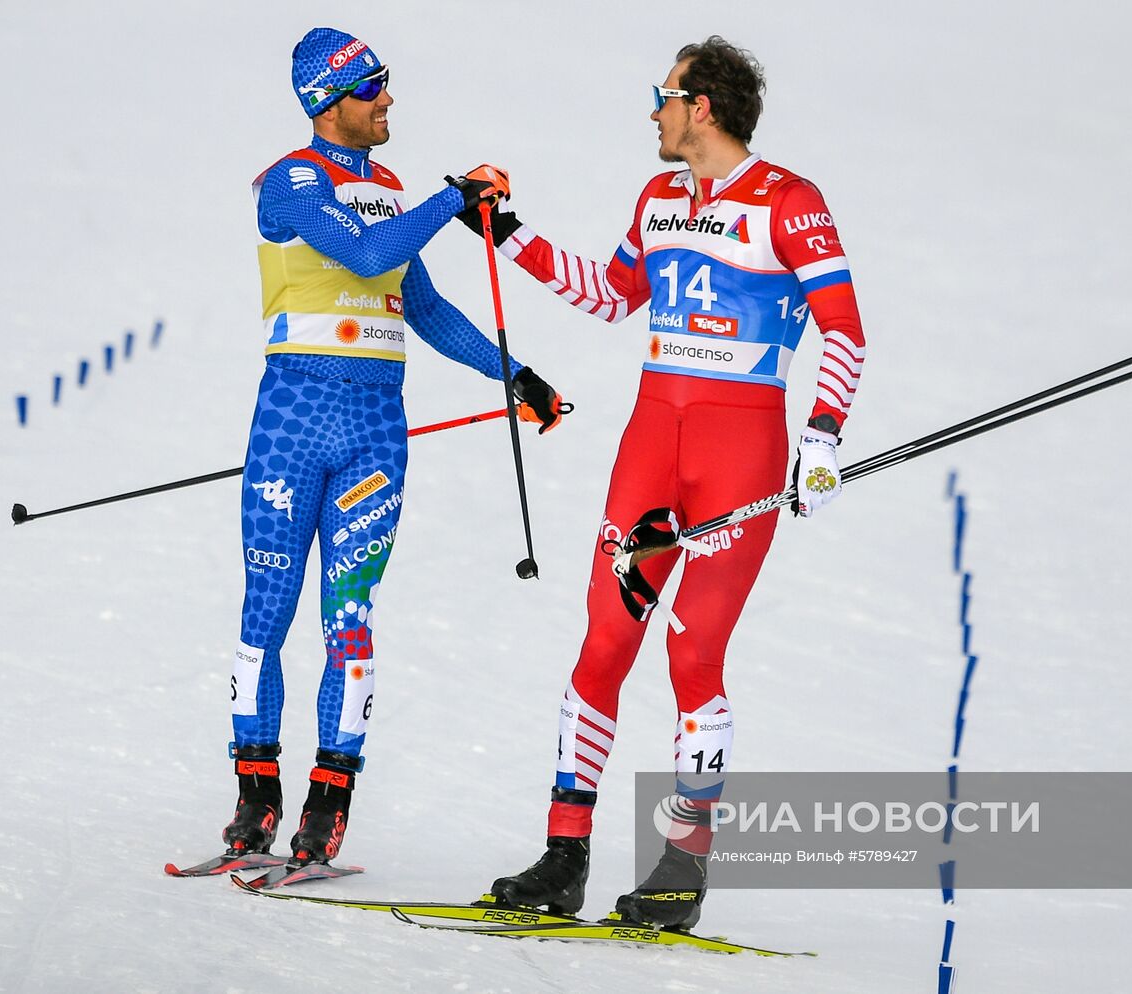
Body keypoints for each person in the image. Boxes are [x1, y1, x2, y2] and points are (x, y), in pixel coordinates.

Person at [464, 37, 867, 927]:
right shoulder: (658, 197)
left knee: (693, 656)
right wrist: (508, 230)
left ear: (704, 108)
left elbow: (844, 330)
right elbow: (611, 295)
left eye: (665, 95)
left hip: (739, 455)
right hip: (653, 445)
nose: (654, 110)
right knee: (604, 641)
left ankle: (681, 869)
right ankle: (563, 856)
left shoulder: (789, 203)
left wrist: (824, 438)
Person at [219, 27, 562, 869]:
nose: (387, 99)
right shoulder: (291, 182)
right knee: (268, 611)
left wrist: (516, 375)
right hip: (293, 415)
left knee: (352, 620)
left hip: (376, 423)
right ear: (327, 101)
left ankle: (328, 801)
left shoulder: (391, 190)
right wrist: (454, 199)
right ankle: (255, 794)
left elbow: (427, 307)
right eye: (372, 86)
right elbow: (369, 252)